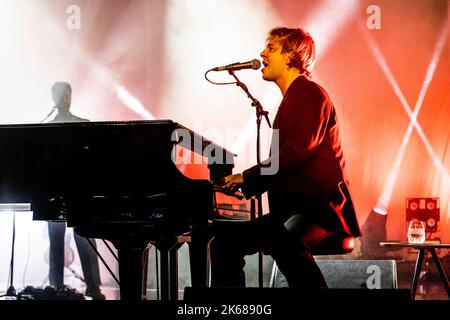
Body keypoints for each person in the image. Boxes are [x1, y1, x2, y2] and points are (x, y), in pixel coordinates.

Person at [211, 27, 362, 288]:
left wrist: (245, 178)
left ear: (291, 54)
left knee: (286, 241)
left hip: (319, 210)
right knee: (225, 243)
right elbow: (287, 161)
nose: (262, 53)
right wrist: (246, 184)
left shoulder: (310, 93)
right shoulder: (293, 98)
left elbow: (296, 154)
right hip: (292, 210)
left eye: (271, 48)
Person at [46, 82, 105, 300]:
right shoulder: (48, 127)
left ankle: (93, 286)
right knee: (56, 239)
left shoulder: (83, 125)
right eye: (62, 93)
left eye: (69, 93)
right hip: (55, 190)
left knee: (85, 236)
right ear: (54, 97)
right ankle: (56, 284)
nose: (66, 97)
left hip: (80, 191)